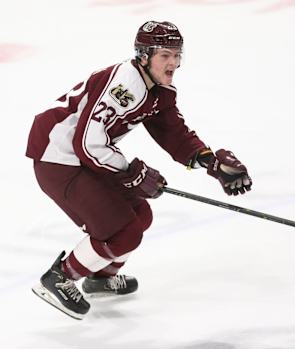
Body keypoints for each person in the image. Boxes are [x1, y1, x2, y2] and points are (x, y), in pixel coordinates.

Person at [26, 20, 252, 320]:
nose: (173, 62)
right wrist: (131, 171)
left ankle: (101, 276)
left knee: (140, 215)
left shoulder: (158, 89)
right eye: (164, 55)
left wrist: (211, 163)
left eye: (176, 54)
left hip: (82, 157)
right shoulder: (126, 84)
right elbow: (88, 142)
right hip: (58, 159)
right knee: (124, 232)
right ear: (143, 55)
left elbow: (174, 133)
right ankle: (60, 277)